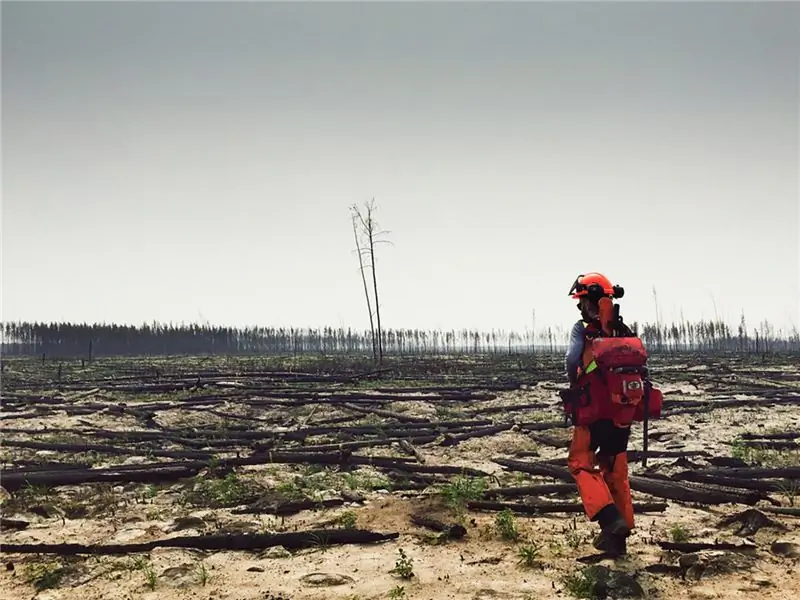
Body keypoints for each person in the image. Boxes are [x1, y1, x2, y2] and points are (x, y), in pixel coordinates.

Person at [563, 272, 636, 557]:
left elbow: (571, 359)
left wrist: (574, 382)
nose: (579, 306)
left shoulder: (581, 329)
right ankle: (619, 539)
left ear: (588, 300)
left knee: (580, 463)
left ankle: (609, 519)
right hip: (623, 412)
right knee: (615, 471)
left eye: (581, 300)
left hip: (593, 410)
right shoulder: (624, 329)